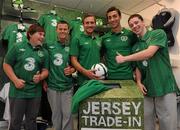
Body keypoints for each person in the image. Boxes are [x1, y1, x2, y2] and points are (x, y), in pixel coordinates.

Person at [116, 14, 178, 130]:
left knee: (167, 124)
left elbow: (149, 53)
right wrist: (139, 82)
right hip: (148, 89)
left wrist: (124, 58)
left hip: (164, 87)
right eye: (131, 25)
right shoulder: (135, 47)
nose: (134, 26)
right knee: (147, 123)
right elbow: (138, 67)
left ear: (143, 22)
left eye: (136, 22)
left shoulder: (158, 33)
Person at [3, 24, 49, 130]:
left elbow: (46, 71)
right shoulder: (17, 47)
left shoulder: (44, 52)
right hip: (18, 91)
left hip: (35, 92)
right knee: (15, 121)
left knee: (32, 121)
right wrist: (15, 80)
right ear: (30, 34)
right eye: (40, 34)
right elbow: (6, 64)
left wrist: (41, 77)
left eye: (44, 35)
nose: (42, 37)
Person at [43, 20, 75, 130]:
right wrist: (43, 80)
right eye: (60, 29)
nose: (62, 31)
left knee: (68, 114)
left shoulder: (72, 46)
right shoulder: (48, 45)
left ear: (68, 31)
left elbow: (75, 64)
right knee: (55, 114)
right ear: (56, 30)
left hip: (67, 86)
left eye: (65, 29)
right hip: (52, 86)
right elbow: (43, 63)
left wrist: (72, 69)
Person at [102, 6, 137, 80]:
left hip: (128, 76)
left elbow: (137, 52)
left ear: (120, 17)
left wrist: (135, 71)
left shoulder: (130, 34)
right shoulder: (104, 38)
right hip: (111, 77)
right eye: (109, 17)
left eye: (115, 16)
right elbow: (102, 55)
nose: (112, 19)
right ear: (108, 20)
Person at [70, 14, 101, 86]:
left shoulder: (98, 39)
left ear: (95, 24)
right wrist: (86, 72)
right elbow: (73, 60)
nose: (90, 25)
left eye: (92, 22)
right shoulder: (77, 38)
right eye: (87, 23)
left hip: (97, 78)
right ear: (83, 25)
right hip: (83, 80)